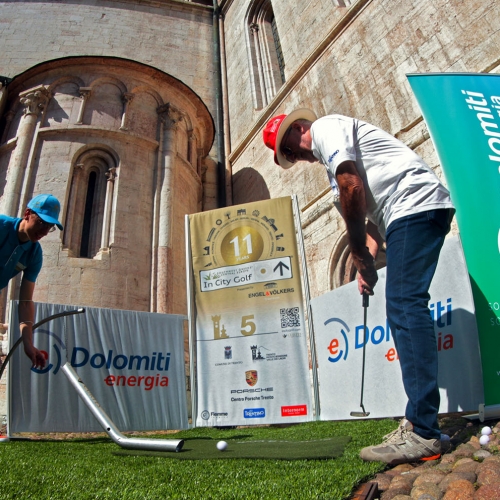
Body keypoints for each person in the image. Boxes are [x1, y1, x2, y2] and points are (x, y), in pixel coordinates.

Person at [263, 109, 455, 465]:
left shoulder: (325, 129)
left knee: (403, 303)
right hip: (402, 214)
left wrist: (357, 251)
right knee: (403, 303)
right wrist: (363, 266)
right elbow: (368, 225)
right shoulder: (330, 166)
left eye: (288, 150)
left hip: (414, 205)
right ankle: (419, 420)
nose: (294, 158)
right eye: (287, 157)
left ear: (299, 129)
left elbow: (353, 186)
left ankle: (424, 432)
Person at [0, 194, 64, 369]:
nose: (44, 231)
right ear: (28, 213)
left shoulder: (34, 253)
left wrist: (28, 343)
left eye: (50, 227)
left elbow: (26, 302)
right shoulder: (2, 226)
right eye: (42, 223)